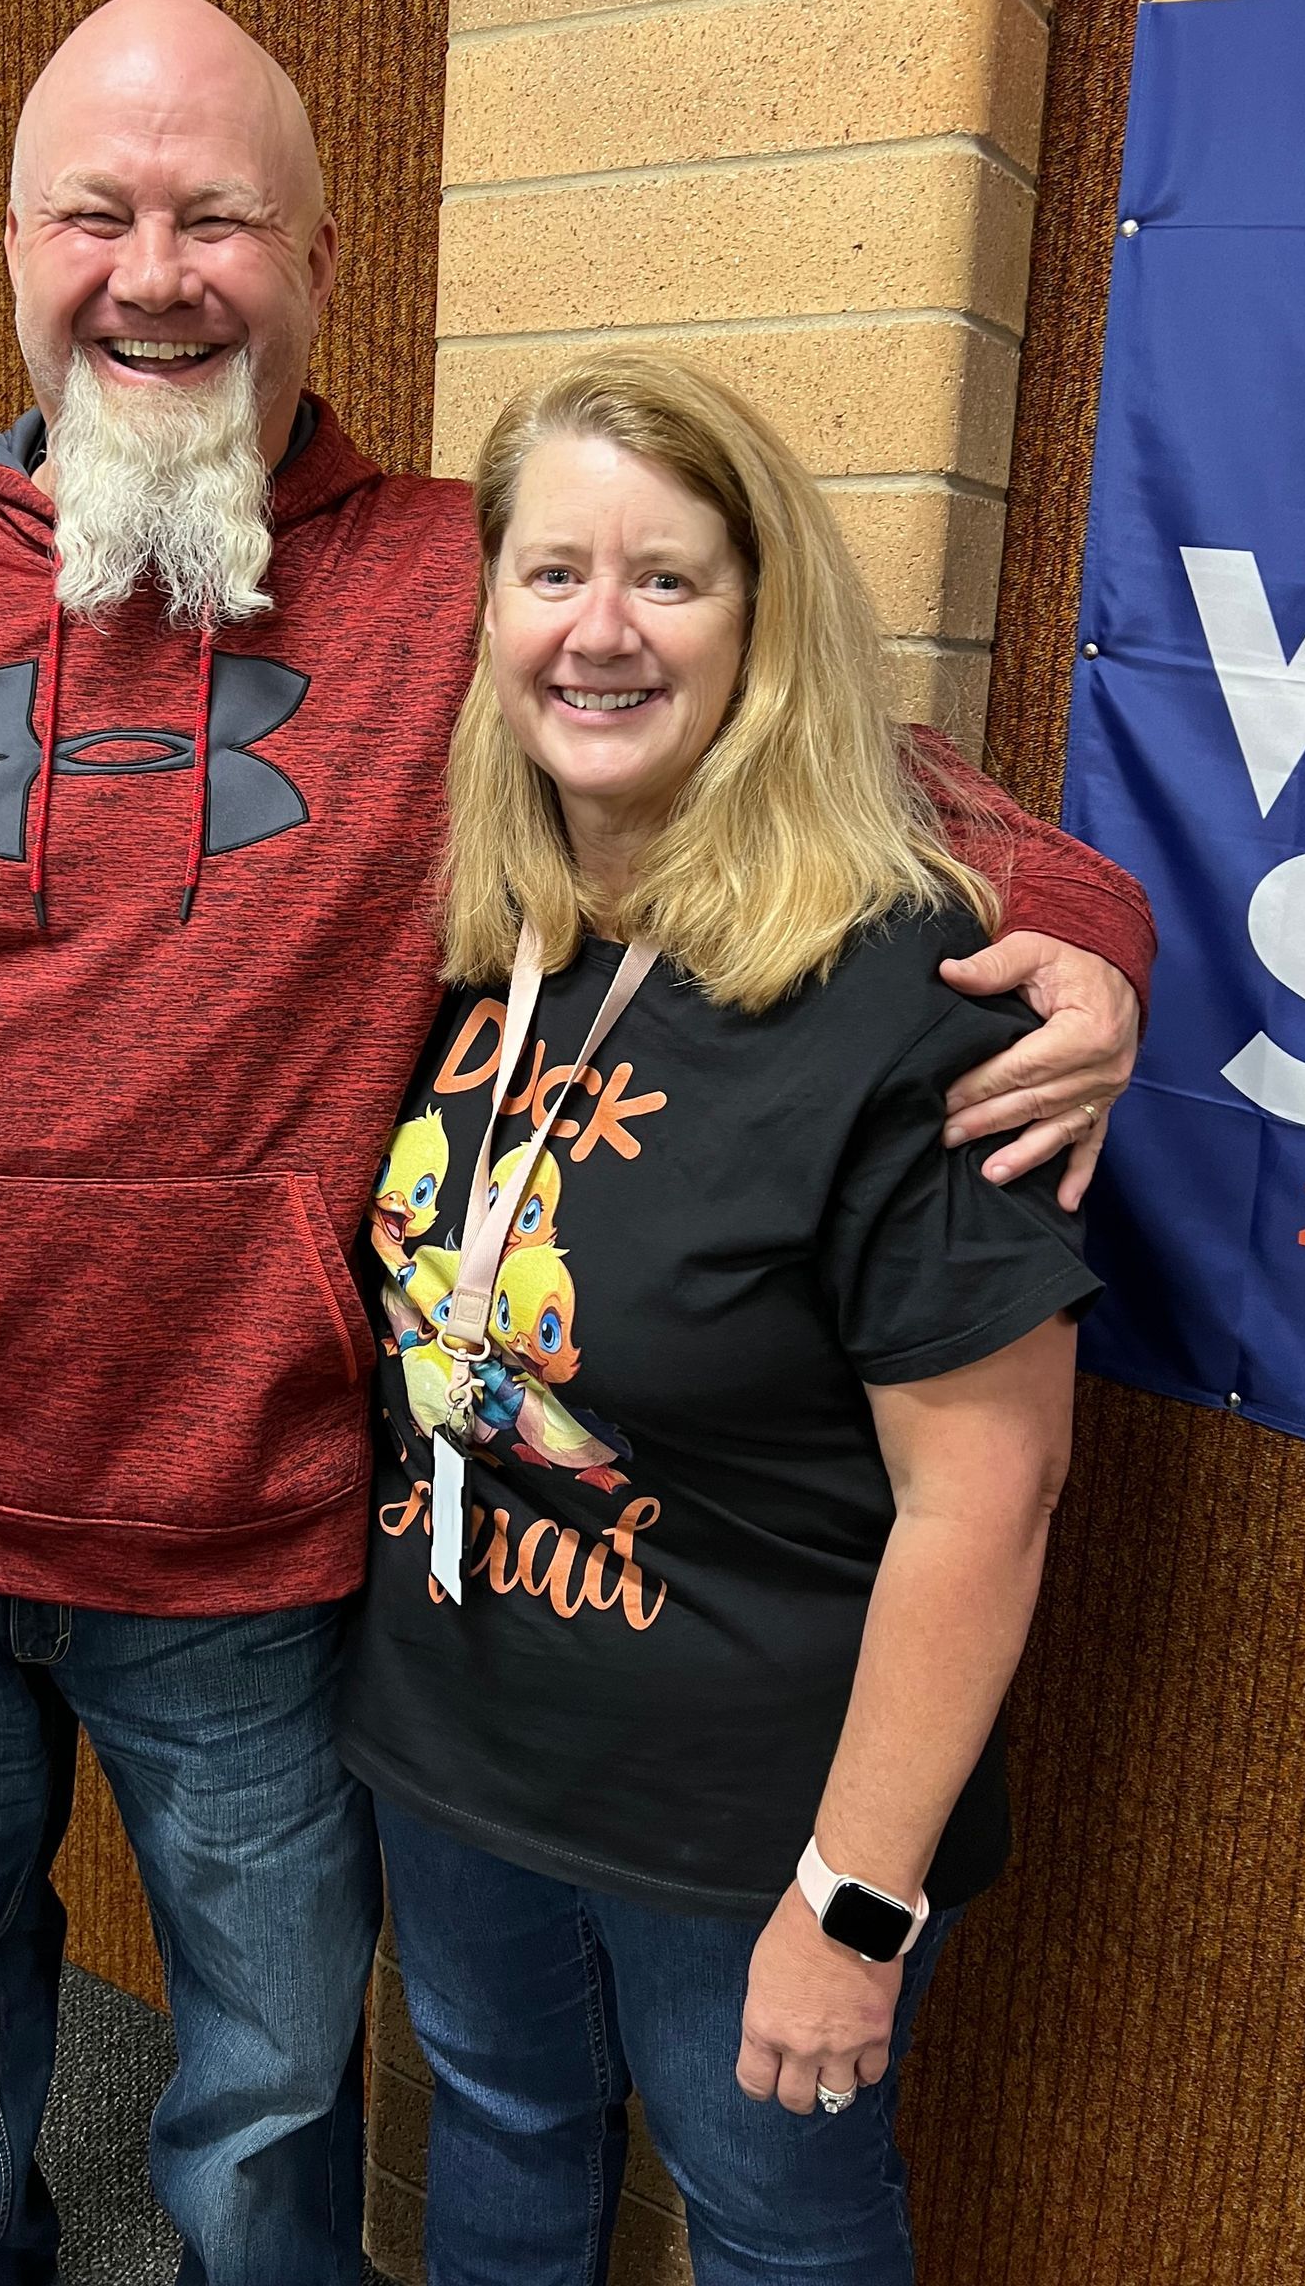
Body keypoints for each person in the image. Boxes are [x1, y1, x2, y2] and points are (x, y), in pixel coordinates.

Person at [0, 0, 1151, 2286]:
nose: (157, 272)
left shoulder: (464, 580)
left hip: (256, 1547)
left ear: (322, 258)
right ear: (15, 245)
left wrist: (1088, 925)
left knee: (267, 2098)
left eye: (218, 216)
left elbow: (836, 766)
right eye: (100, 214)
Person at [337, 351, 1107, 2286]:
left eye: (668, 579)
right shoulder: (467, 936)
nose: (600, 631)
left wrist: (854, 1903)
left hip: (751, 1828)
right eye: (552, 574)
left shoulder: (911, 991)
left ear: (763, 623)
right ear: (490, 612)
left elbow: (987, 1504)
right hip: (456, 1753)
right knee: (502, 2154)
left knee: (776, 2230)